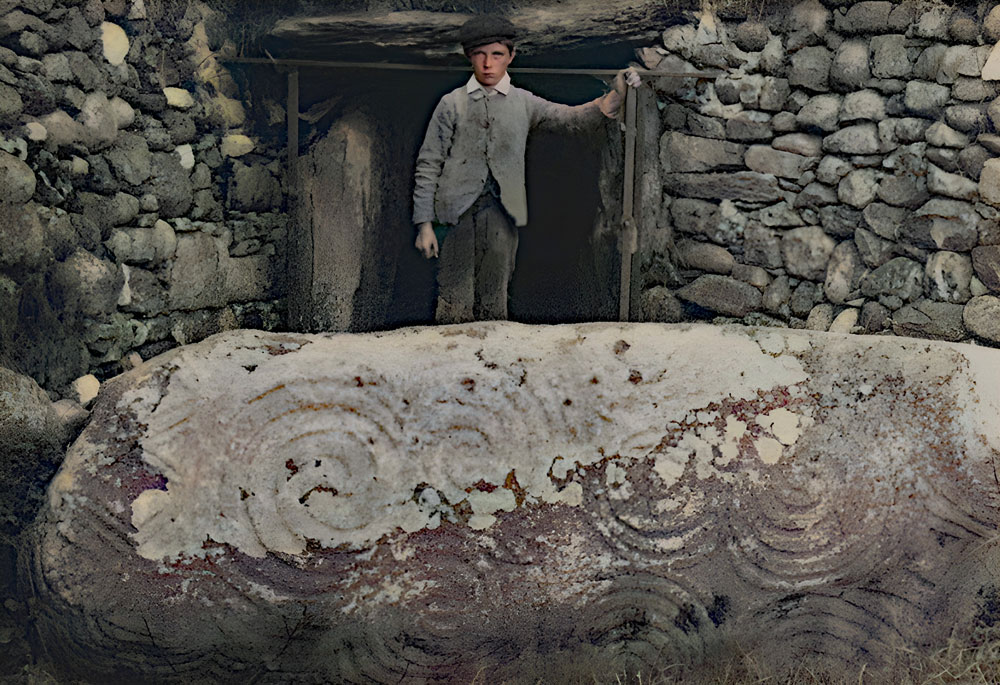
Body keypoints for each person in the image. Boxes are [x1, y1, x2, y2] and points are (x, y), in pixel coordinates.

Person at [412, 14, 639, 323]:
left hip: (502, 213)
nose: (488, 64)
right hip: (454, 214)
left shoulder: (524, 102)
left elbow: (571, 119)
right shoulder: (451, 104)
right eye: (479, 55)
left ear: (511, 56)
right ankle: (453, 367)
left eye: (497, 55)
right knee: (454, 296)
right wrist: (425, 224)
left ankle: (493, 365)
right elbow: (429, 162)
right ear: (469, 57)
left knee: (495, 294)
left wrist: (618, 94)